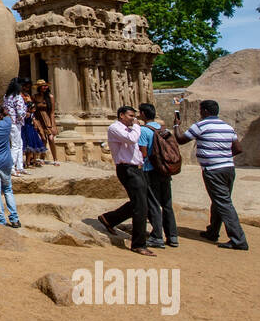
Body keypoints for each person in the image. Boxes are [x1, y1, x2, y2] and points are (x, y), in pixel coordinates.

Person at [174, 99, 248, 250]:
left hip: (213, 170)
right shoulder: (227, 126)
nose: (200, 112)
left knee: (223, 203)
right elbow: (238, 148)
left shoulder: (201, 125)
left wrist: (176, 125)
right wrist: (224, 156)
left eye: (201, 110)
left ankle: (238, 240)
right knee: (219, 200)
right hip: (228, 168)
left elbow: (181, 140)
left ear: (205, 111)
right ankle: (212, 231)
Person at [97, 105, 152, 255]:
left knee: (140, 202)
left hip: (136, 168)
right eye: (130, 116)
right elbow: (132, 139)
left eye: (134, 116)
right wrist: (137, 127)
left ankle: (109, 219)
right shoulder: (115, 128)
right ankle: (139, 244)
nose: (133, 118)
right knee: (140, 206)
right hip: (127, 169)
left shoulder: (129, 128)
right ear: (121, 115)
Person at [137, 102, 177, 247]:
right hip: (165, 169)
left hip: (150, 170)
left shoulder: (144, 131)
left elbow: (143, 153)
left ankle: (157, 236)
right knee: (167, 204)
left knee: (153, 203)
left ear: (142, 114)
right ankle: (172, 236)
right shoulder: (163, 129)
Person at [3, 78, 28, 175]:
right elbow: (20, 112)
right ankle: (12, 167)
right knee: (16, 145)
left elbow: (5, 108)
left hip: (9, 122)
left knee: (19, 144)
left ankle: (20, 166)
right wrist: (26, 113)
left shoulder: (6, 96)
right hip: (16, 123)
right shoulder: (18, 97)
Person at [32, 80, 60, 166]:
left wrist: (53, 125)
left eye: (45, 86)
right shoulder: (35, 97)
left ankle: (55, 159)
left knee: (51, 138)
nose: (45, 87)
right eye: (42, 86)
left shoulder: (50, 97)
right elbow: (33, 110)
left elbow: (52, 112)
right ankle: (42, 157)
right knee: (43, 139)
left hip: (47, 119)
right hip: (38, 120)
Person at [20, 82, 45, 168]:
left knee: (32, 147)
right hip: (27, 130)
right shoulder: (27, 114)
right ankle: (27, 163)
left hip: (31, 130)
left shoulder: (31, 114)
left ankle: (32, 161)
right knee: (28, 147)